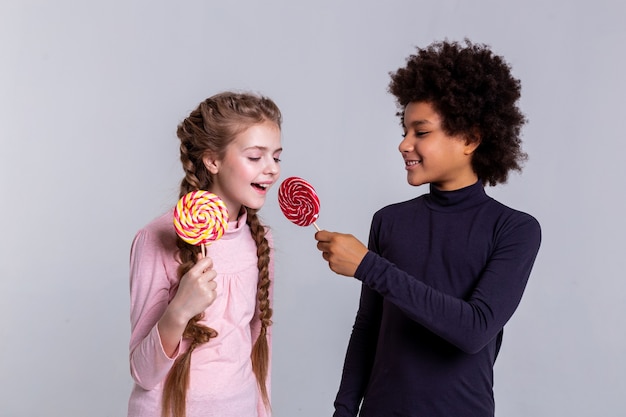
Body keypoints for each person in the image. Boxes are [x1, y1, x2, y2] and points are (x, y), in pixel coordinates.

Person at [315, 39, 542, 417]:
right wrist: (344, 409)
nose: (404, 144)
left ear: (470, 138)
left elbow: (473, 329)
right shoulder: (388, 220)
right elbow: (368, 328)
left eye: (421, 132)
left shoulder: (514, 230)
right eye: (404, 131)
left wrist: (369, 266)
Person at [127, 91, 283, 417]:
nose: (272, 169)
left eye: (276, 157)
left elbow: (259, 347)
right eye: (255, 157)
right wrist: (178, 311)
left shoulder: (259, 239)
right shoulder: (156, 239)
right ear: (213, 160)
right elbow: (143, 372)